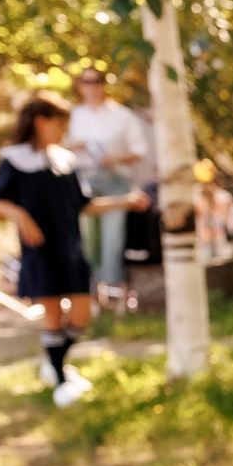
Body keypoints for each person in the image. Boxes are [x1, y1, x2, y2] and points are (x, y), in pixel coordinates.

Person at [0, 94, 149, 407]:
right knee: (52, 314)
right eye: (62, 124)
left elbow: (84, 205)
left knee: (82, 313)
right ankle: (61, 383)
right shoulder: (14, 159)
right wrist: (21, 216)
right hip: (40, 250)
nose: (66, 131)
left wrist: (126, 201)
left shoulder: (66, 161)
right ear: (41, 122)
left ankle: (54, 362)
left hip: (71, 248)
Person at [66, 68, 149, 310]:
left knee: (113, 240)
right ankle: (92, 297)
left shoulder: (122, 115)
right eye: (85, 82)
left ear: (104, 84)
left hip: (116, 181)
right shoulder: (72, 115)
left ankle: (117, 297)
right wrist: (75, 145)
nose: (91, 86)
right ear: (79, 85)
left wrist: (115, 158)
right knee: (87, 240)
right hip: (83, 180)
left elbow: (139, 151)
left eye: (96, 81)